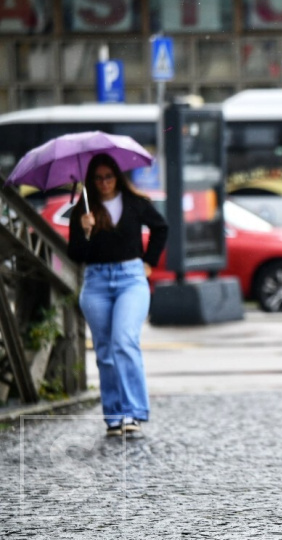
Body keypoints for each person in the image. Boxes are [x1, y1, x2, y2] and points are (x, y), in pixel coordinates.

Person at [68, 153, 168, 437]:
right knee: (105, 351)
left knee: (124, 340)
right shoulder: (83, 210)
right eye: (98, 178)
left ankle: (133, 412)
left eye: (109, 177)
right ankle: (114, 416)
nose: (104, 183)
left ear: (117, 177)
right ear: (91, 180)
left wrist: (149, 261)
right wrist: (84, 231)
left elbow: (161, 227)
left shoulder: (135, 202)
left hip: (130, 280)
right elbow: (75, 254)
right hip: (96, 283)